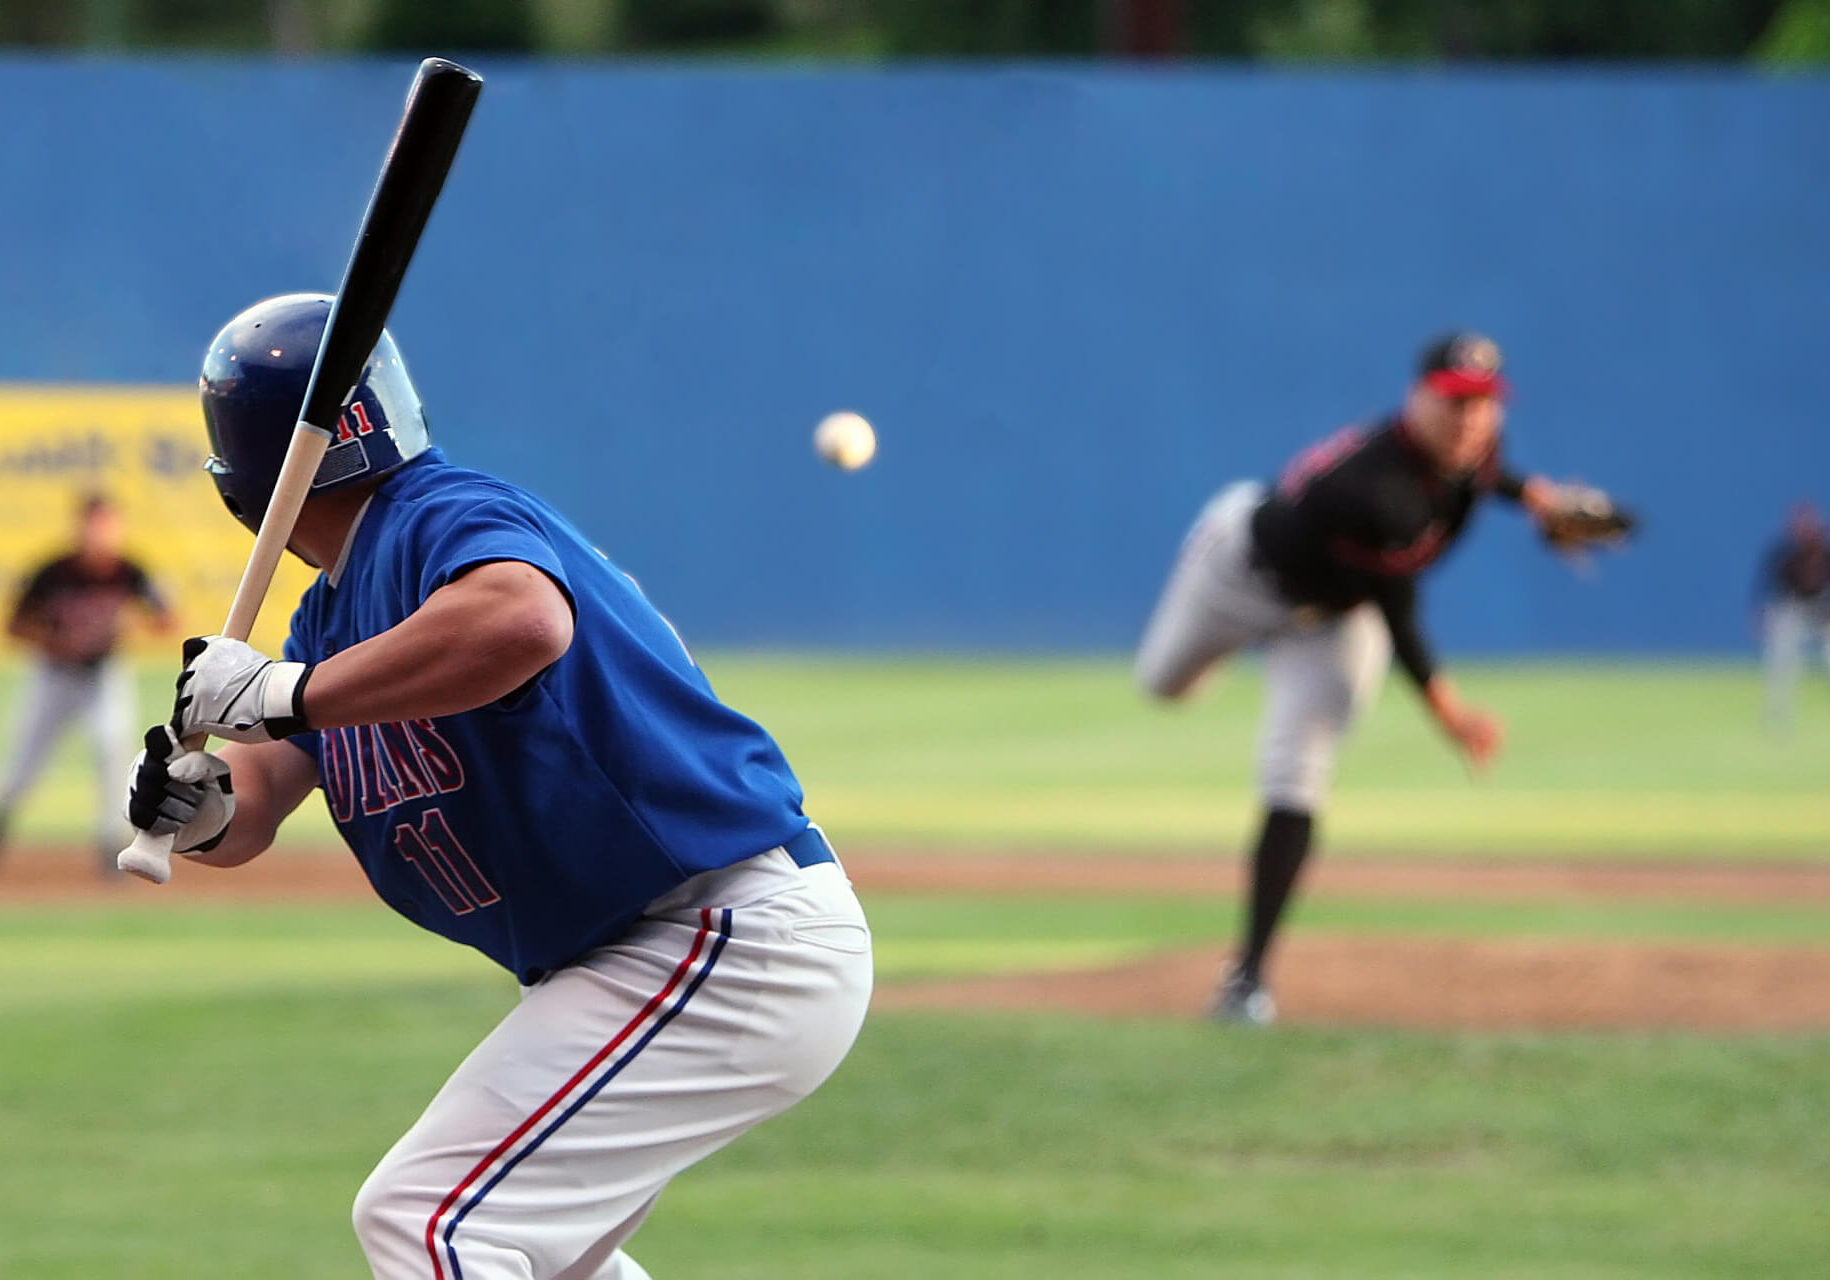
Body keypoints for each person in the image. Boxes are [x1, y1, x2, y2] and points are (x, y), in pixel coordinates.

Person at [124, 293, 873, 1279]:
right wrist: (200, 802)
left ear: (245, 480)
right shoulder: (332, 613)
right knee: (536, 1255)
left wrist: (284, 690)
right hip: (652, 953)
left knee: (432, 1222)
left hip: (719, 934)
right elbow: (253, 803)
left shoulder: (439, 514)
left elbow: (520, 619)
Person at [1134, 332, 1592, 1026]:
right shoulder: (1373, 493)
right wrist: (1454, 718)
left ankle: (1247, 980)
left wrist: (1537, 497)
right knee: (1162, 685)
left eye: (1484, 404)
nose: (1471, 418)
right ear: (1417, 400)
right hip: (1239, 576)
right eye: (1455, 402)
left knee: (1296, 775)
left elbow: (1487, 474)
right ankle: (1224, 650)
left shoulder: (1470, 451)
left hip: (1332, 620)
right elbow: (1403, 622)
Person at [0, 491, 172, 871]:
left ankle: (111, 843)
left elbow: (166, 620)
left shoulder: (130, 571)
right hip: (53, 675)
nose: (101, 534)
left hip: (103, 674)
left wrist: (135, 625)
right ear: (80, 527)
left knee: (112, 748)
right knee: (23, 761)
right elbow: (14, 626)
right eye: (95, 525)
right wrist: (54, 642)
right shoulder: (53, 571)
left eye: (107, 525)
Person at [1754, 500, 1830, 736]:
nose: (1806, 529)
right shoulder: (1785, 555)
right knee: (1783, 661)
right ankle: (1778, 717)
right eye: (1801, 524)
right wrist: (1762, 616)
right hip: (1793, 612)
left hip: (1822, 611)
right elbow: (1770, 592)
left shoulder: (1825, 553)